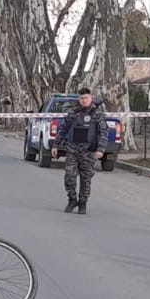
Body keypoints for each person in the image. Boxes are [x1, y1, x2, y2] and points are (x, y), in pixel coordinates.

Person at [51, 87, 108, 215]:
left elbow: (103, 133)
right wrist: (55, 145)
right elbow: (63, 129)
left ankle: (83, 203)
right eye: (81, 98)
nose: (84, 100)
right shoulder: (73, 113)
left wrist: (100, 149)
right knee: (69, 176)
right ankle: (72, 199)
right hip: (72, 149)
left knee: (86, 178)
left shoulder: (97, 114)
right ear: (79, 99)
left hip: (88, 151)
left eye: (86, 98)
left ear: (91, 98)